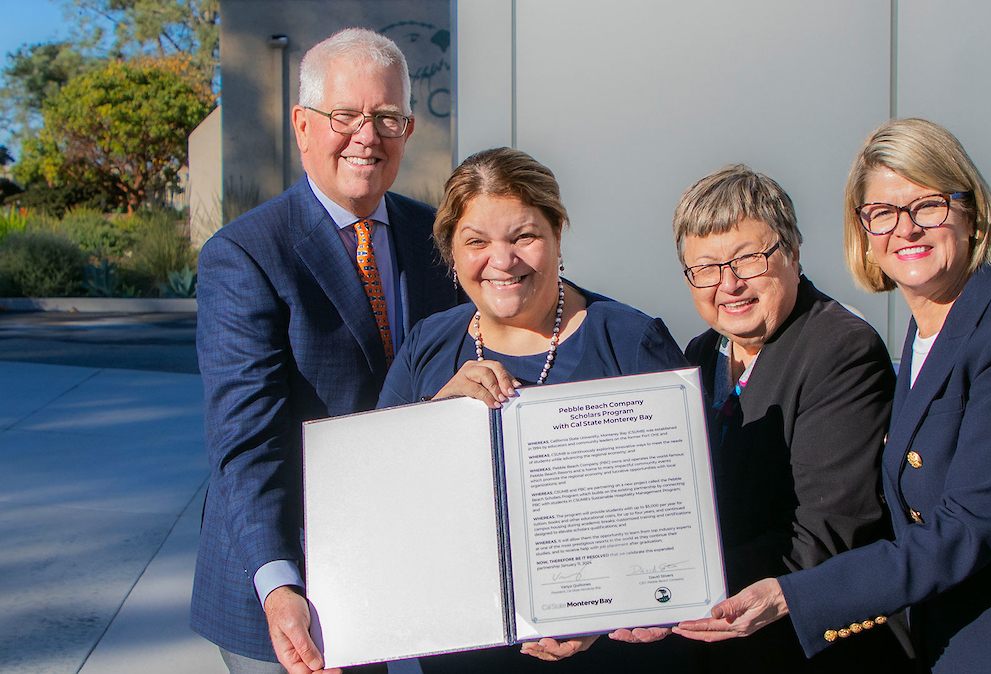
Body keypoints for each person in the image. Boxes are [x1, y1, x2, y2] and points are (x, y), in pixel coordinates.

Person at [672, 119, 991, 673]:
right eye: (882, 214)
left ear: (970, 210)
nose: (905, 229)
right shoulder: (929, 333)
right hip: (964, 638)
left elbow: (965, 526)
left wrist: (793, 594)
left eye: (927, 206)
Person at [190, 28, 457, 674]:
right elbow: (247, 443)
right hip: (293, 578)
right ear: (302, 124)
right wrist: (282, 588)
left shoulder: (439, 236)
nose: (367, 135)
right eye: (346, 115)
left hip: (407, 568)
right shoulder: (246, 254)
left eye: (387, 117)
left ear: (408, 128)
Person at [376, 147, 691, 674]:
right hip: (467, 655)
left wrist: (612, 602)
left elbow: (686, 510)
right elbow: (379, 500)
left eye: (523, 236)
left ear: (558, 234)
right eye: (476, 241)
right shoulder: (427, 347)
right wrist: (436, 419)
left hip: (608, 654)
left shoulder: (631, 341)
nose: (502, 261)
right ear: (452, 252)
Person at [654, 164, 911, 671]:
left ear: (792, 252)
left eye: (748, 259)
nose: (728, 285)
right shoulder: (701, 354)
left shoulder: (840, 348)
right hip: (721, 637)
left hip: (803, 645)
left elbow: (828, 530)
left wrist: (674, 587)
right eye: (705, 268)